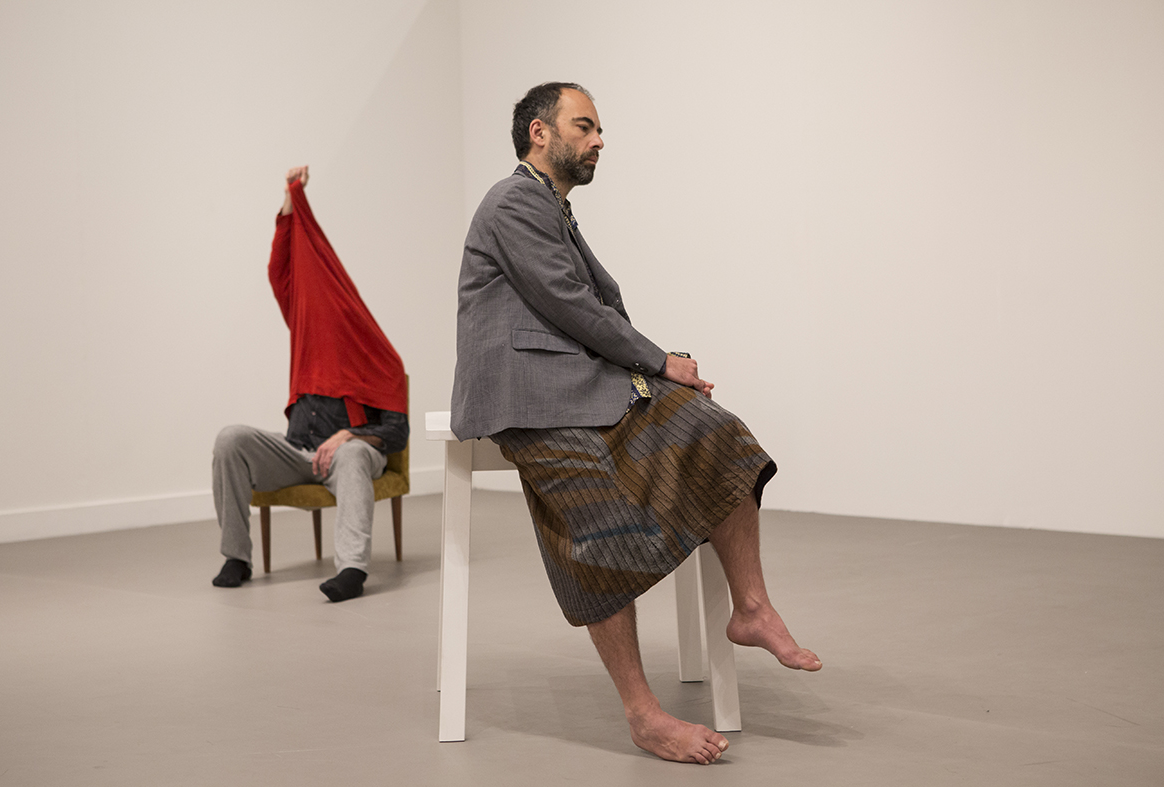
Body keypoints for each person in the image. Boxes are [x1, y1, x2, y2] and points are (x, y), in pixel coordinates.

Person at [450, 83, 821, 764]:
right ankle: (643, 714)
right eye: (583, 127)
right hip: (527, 394)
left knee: (716, 433)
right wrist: (658, 360)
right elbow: (567, 302)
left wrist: (656, 370)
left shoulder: (552, 207)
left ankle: (751, 608)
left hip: (583, 382)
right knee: (597, 517)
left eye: (598, 130)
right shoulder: (512, 202)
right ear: (539, 132)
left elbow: (588, 309)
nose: (598, 141)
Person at [212, 166, 409, 602]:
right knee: (230, 439)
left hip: (347, 459)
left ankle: (352, 570)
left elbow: (398, 433)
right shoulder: (307, 337)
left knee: (353, 453)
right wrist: (290, 200)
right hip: (299, 452)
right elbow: (281, 273)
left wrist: (348, 435)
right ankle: (236, 557)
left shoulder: (381, 358)